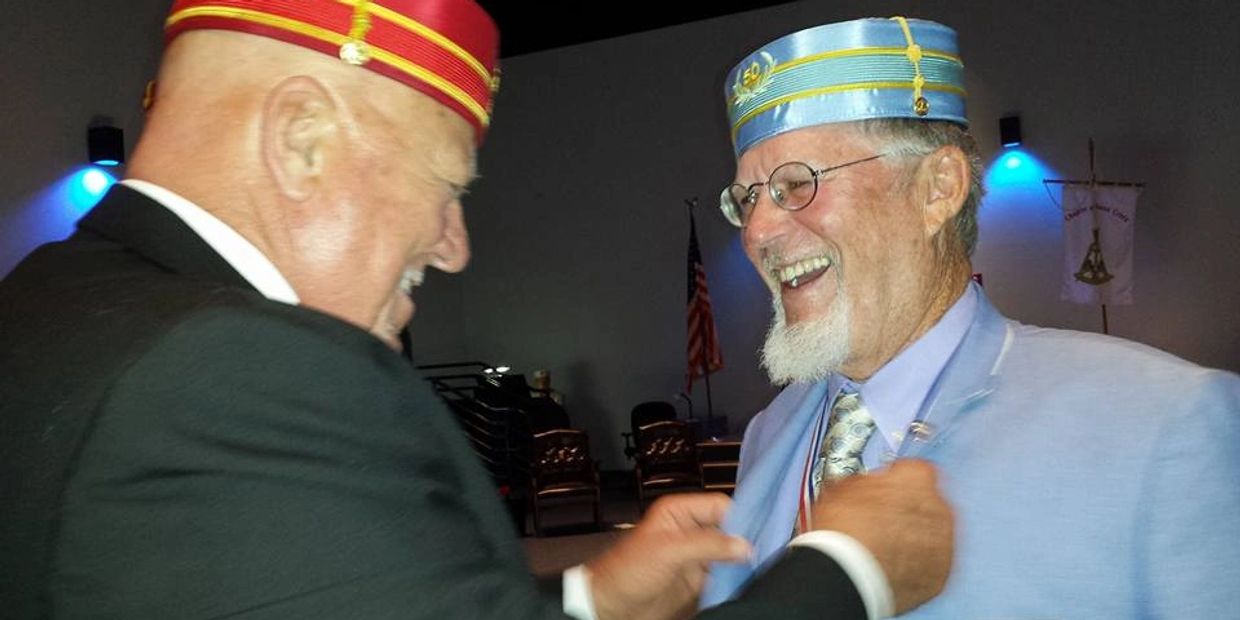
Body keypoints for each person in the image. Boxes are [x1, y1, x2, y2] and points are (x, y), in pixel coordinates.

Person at [0, 2, 955, 619]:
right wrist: (849, 570)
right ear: (301, 140)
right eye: (446, 184)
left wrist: (587, 597)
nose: (455, 246)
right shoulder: (238, 371)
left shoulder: (50, 300)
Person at [699, 15, 1240, 617]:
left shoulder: (1162, 425)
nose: (757, 231)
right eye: (747, 198)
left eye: (796, 183)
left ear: (938, 187)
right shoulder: (770, 432)